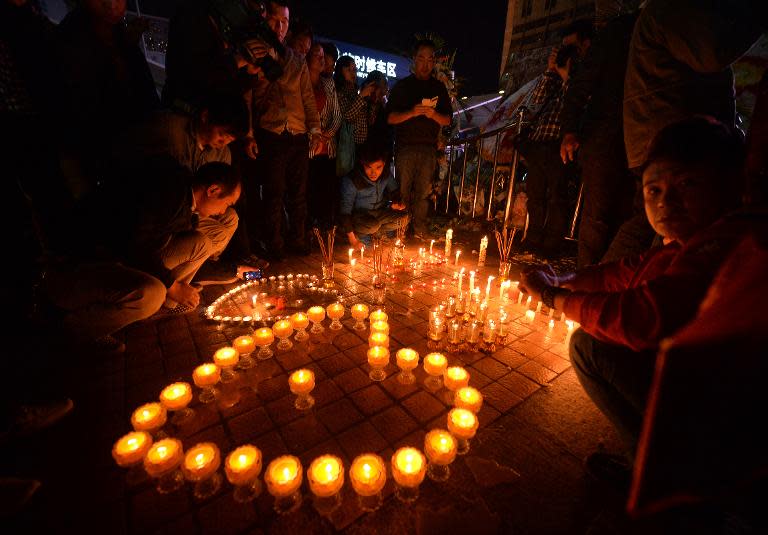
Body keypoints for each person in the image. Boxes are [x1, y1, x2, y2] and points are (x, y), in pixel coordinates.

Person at [519, 118, 747, 480]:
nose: (666, 202)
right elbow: (621, 272)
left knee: (588, 346)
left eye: (686, 183)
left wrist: (553, 296)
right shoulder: (682, 244)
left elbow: (641, 318)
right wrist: (564, 279)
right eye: (653, 190)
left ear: (725, 185)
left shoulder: (721, 248)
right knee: (595, 337)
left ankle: (659, 471)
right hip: (705, 390)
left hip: (731, 418)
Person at [611, 0, 767, 263]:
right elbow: (712, 53)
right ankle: (604, 292)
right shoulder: (670, 9)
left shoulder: (667, 11)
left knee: (657, 227)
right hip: (671, 142)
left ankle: (603, 291)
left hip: (663, 138)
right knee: (664, 224)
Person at [45, 161, 243, 352]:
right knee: (153, 293)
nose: (223, 212)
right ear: (213, 190)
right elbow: (135, 246)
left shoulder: (182, 192)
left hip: (126, 254)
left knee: (201, 243)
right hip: (88, 261)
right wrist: (173, 286)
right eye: (227, 204)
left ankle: (160, 308)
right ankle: (78, 328)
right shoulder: (168, 195)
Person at [109, 93, 262, 283]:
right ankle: (177, 279)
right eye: (222, 134)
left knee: (230, 217)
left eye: (229, 140)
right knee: (210, 237)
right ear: (205, 117)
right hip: (165, 210)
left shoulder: (222, 154)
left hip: (193, 207)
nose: (223, 143)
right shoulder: (169, 131)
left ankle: (198, 268)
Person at [558, 10, 639, 267]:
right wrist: (569, 130)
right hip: (605, 135)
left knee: (628, 216)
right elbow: (581, 85)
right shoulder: (619, 31)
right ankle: (586, 285)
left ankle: (607, 283)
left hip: (640, 138)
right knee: (598, 215)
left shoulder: (669, 26)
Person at [56, 0, 159, 197]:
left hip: (129, 135)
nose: (114, 5)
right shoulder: (73, 39)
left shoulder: (111, 29)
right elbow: (85, 103)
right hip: (108, 145)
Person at [251, 0, 321, 261]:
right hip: (271, 132)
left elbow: (307, 98)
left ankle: (298, 239)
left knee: (298, 194)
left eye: (285, 22)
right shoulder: (256, 51)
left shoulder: (297, 60)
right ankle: (274, 243)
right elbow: (254, 96)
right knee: (273, 192)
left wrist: (314, 129)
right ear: (265, 17)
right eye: (275, 20)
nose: (279, 27)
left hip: (298, 133)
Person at [516, 44, 578, 257]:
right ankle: (532, 239)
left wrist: (566, 75)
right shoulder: (551, 82)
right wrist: (550, 70)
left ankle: (551, 245)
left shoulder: (577, 82)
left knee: (557, 197)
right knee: (535, 196)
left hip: (559, 146)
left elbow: (577, 102)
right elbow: (536, 101)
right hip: (539, 144)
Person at [387, 39, 452, 239]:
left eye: (430, 59)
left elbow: (448, 119)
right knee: (403, 190)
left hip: (428, 148)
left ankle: (420, 230)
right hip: (405, 147)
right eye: (421, 58)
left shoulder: (438, 88)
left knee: (424, 192)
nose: (425, 64)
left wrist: (433, 115)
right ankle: (400, 229)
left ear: (434, 62)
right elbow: (390, 117)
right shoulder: (403, 87)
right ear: (414, 60)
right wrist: (412, 112)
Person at [340, 142, 408, 249]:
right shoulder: (352, 180)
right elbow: (345, 213)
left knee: (404, 218)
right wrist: (353, 240)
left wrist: (397, 203)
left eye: (378, 167)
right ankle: (364, 235)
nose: (374, 173)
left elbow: (395, 191)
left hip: (379, 214)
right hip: (360, 217)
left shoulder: (386, 174)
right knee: (372, 227)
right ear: (363, 164)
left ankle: (377, 232)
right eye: (369, 167)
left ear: (384, 164)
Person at [307, 43, 342, 228]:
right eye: (319, 57)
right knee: (308, 190)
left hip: (327, 148)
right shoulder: (301, 80)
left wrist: (325, 136)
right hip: (308, 148)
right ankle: (308, 228)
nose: (324, 62)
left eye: (324, 58)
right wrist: (313, 136)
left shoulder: (328, 83)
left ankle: (325, 228)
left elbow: (336, 115)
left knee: (326, 189)